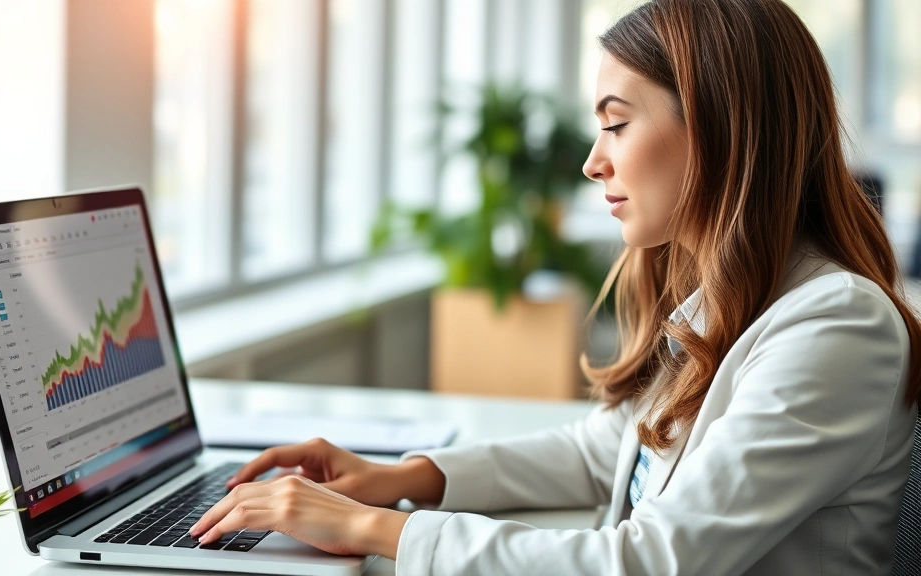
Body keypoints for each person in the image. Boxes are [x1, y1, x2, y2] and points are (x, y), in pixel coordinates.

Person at [188, 0, 921, 573]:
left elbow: (649, 562)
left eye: (617, 124)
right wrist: (401, 478)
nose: (594, 162)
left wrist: (367, 526)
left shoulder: (835, 329)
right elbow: (607, 449)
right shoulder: (735, 298)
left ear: (719, 128)